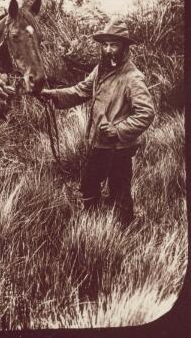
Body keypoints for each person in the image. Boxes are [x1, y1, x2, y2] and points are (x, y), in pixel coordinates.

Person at [40, 19, 155, 225]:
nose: (109, 49)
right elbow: (81, 90)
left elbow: (146, 113)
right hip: (101, 143)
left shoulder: (133, 77)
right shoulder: (101, 69)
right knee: (89, 186)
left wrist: (118, 130)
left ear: (124, 46)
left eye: (114, 44)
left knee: (119, 192)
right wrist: (53, 95)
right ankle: (93, 228)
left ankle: (124, 234)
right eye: (105, 44)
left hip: (119, 147)